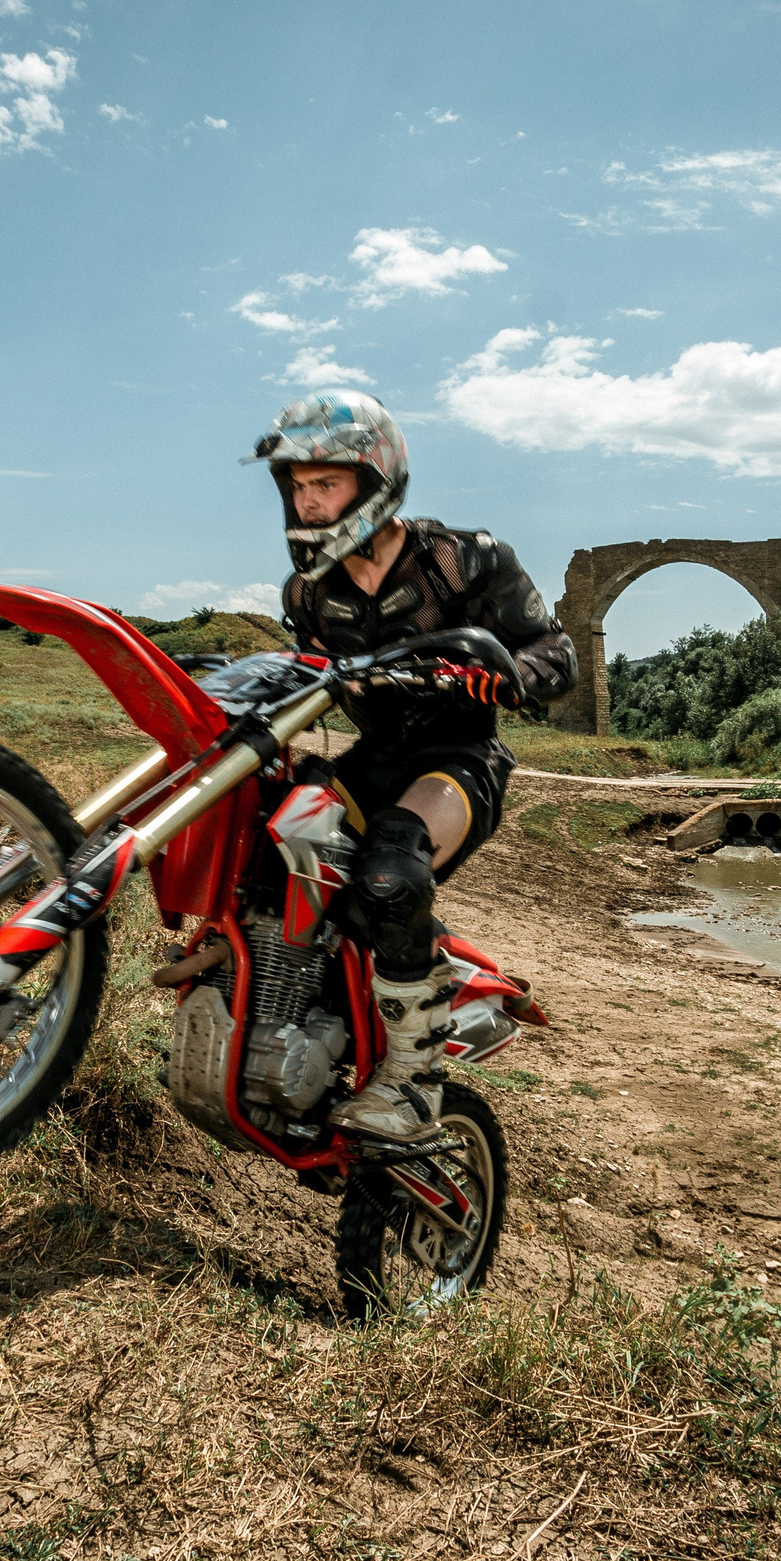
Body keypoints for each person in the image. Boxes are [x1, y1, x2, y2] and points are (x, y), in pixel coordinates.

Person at [248, 391, 578, 1140]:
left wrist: (508, 674)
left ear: (374, 480)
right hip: (373, 758)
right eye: (297, 486)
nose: (307, 500)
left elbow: (559, 654)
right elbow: (308, 671)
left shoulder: (464, 561)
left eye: (324, 484)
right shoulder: (307, 593)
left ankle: (412, 1084)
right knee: (268, 842)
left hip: (458, 758)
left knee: (391, 873)